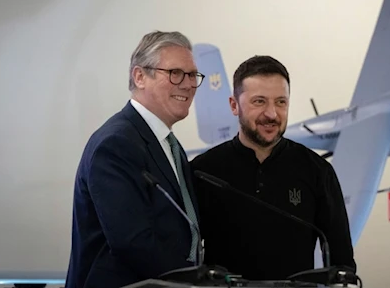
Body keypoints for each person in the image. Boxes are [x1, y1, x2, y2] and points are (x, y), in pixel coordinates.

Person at [190, 55, 356, 280]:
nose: (272, 114)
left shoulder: (318, 172)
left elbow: (342, 263)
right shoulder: (202, 171)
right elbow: (182, 256)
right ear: (233, 105)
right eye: (259, 101)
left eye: (281, 102)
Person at [65, 31, 205, 288]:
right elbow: (132, 242)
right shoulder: (116, 143)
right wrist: (195, 282)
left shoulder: (170, 146)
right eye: (175, 73)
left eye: (192, 75)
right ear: (139, 76)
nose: (188, 84)